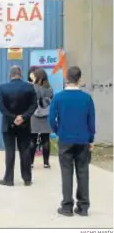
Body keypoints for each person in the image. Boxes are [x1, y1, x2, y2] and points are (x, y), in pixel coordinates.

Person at [49, 66, 95, 217]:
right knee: (83, 172)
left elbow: (51, 120)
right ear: (80, 79)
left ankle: (67, 206)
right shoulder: (87, 98)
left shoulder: (58, 97)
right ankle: (83, 207)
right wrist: (91, 139)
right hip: (83, 140)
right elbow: (91, 122)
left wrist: (58, 132)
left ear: (66, 78)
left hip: (65, 139)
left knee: (66, 172)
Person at [0, 65, 37, 186]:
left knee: (10, 151)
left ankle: (9, 179)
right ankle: (27, 178)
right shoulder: (29, 87)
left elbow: (1, 107)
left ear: (10, 75)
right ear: (21, 74)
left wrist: (13, 118)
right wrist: (23, 117)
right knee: (24, 150)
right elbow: (34, 105)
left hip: (8, 125)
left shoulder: (3, 88)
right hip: (24, 125)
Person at [29, 68, 54, 169]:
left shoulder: (32, 88)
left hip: (34, 115)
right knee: (46, 140)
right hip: (46, 116)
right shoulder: (50, 89)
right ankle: (46, 163)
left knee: (32, 140)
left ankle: (30, 163)